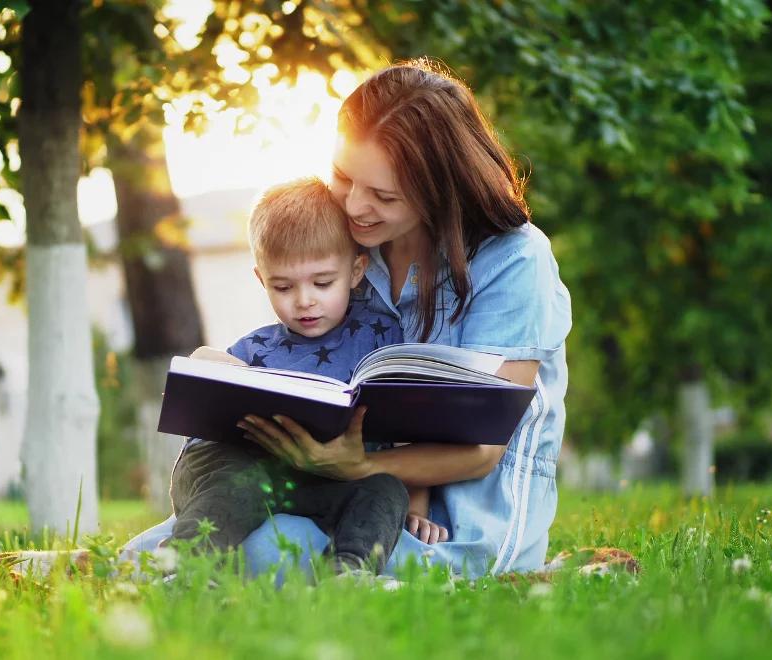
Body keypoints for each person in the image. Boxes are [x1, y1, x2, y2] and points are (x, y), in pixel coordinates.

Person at [125, 59, 571, 578]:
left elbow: (480, 451)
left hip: (460, 512)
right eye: (343, 178)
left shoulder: (516, 261)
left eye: (383, 195)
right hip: (334, 484)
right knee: (173, 545)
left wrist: (357, 467)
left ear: (440, 188)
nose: (355, 207)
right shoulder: (359, 247)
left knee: (262, 553)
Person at [167, 176, 415, 575]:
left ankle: (349, 573)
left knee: (385, 489)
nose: (304, 301)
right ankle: (185, 569)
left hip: (330, 481)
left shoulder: (383, 337)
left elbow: (408, 427)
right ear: (262, 279)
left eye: (322, 282)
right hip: (255, 477)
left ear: (356, 271)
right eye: (282, 287)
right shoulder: (255, 350)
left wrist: (416, 499)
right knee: (234, 477)